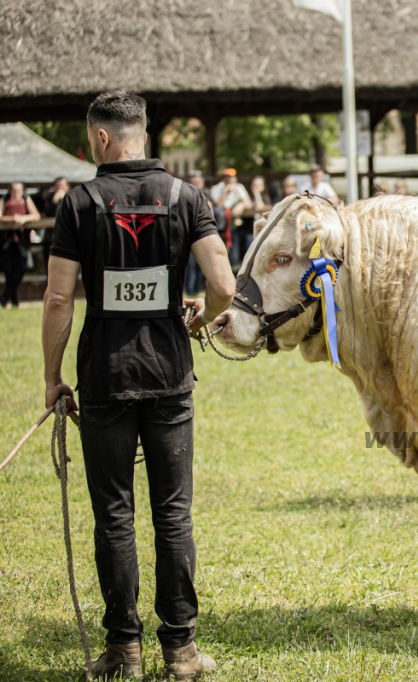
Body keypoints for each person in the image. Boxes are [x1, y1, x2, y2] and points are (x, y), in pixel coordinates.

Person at [41, 90, 234, 680]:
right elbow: (224, 284)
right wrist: (198, 318)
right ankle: (181, 651)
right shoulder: (186, 197)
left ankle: (124, 650)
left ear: (101, 138)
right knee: (174, 514)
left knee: (114, 516)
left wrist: (52, 377)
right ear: (143, 134)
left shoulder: (79, 203)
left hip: (104, 375)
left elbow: (56, 299)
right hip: (169, 374)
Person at [1, 182, 41, 308]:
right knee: (8, 270)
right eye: (13, 189)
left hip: (22, 240)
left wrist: (23, 218)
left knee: (21, 268)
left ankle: (4, 297)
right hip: (7, 240)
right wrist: (11, 219)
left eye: (18, 189)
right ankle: (14, 301)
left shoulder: (25, 198)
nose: (15, 192)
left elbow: (36, 216)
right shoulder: (5, 199)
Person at [210, 168, 251, 265]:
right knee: (220, 253)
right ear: (223, 178)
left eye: (231, 177)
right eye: (227, 177)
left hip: (234, 225)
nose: (229, 179)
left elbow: (248, 204)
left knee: (234, 254)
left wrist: (241, 205)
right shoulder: (216, 188)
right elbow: (219, 205)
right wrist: (225, 191)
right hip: (220, 226)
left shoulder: (239, 187)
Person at [184, 171, 209, 296]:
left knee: (202, 265)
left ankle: (198, 288)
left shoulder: (208, 195)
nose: (196, 185)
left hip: (206, 235)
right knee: (191, 265)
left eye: (198, 182)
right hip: (190, 235)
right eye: (194, 182)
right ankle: (190, 289)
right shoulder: (185, 196)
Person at [41, 177, 71, 271]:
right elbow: (47, 213)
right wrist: (54, 201)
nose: (60, 188)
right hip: (51, 237)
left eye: (62, 186)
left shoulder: (73, 198)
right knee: (49, 265)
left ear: (67, 187)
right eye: (57, 186)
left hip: (68, 237)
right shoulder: (50, 198)